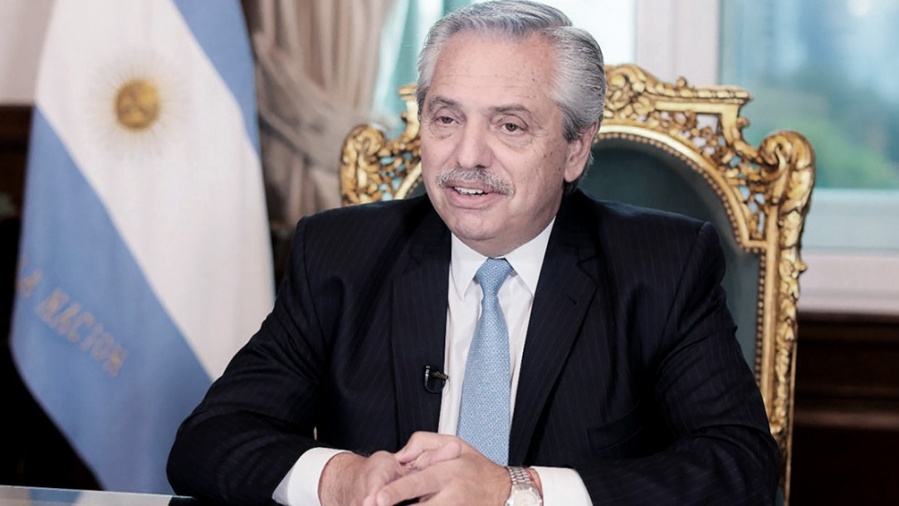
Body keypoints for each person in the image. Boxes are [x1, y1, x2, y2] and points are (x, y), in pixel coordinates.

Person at [166, 1, 779, 505]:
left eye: (509, 125)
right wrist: (340, 479)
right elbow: (209, 440)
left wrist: (519, 491)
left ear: (574, 149)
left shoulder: (661, 267)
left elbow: (740, 465)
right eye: (446, 119)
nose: (466, 156)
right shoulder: (341, 256)